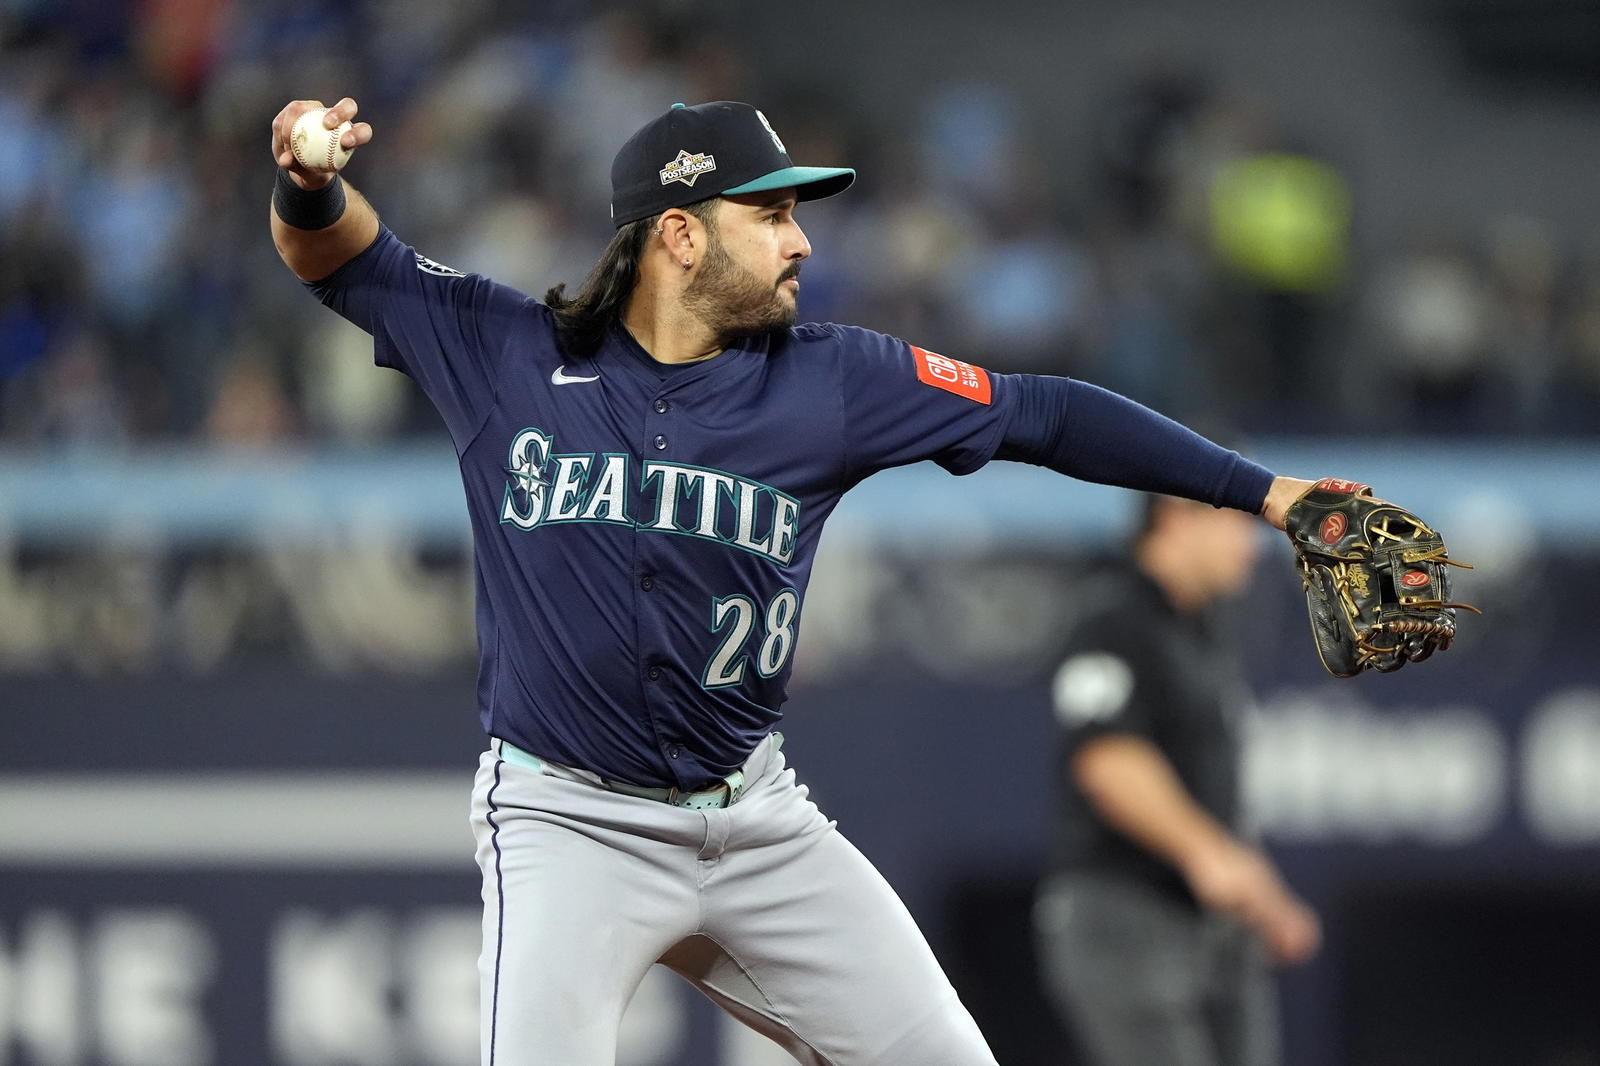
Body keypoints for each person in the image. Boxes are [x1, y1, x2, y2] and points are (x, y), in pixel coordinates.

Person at [269, 96, 1323, 1066]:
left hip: (755, 821)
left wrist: (1268, 495)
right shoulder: (506, 355)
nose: (801, 238)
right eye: (769, 213)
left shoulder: (830, 379)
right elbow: (346, 263)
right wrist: (307, 181)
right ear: (679, 233)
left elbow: (1042, 412)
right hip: (568, 822)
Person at [1034, 493, 1321, 1066]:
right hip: (1122, 913)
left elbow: (1210, 796)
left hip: (1206, 928)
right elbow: (1108, 761)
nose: (1251, 544)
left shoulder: (1203, 633)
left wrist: (1261, 893)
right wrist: (1206, 855)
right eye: (1239, 522)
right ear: (1177, 514)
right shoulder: (1112, 618)